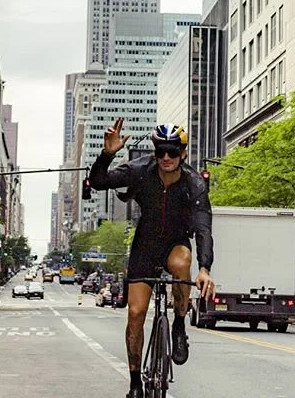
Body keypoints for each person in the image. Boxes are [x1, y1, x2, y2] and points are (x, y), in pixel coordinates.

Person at [89, 118, 215, 398]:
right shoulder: (140, 170)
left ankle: (179, 325)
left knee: (182, 263)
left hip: (176, 243)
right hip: (144, 246)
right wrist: (107, 154)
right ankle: (135, 382)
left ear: (183, 153)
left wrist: (205, 267)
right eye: (161, 152)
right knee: (135, 314)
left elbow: (203, 228)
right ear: (155, 152)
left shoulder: (194, 183)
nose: (166, 157)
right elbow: (98, 182)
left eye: (172, 151)